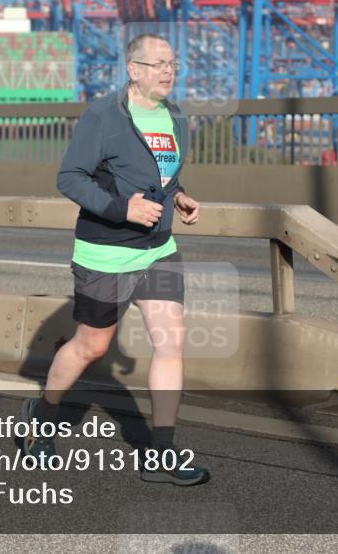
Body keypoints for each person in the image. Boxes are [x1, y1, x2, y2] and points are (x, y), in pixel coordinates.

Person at [20, 33, 210, 486]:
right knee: (93, 346)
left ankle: (161, 452)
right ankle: (43, 415)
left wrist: (178, 196)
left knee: (171, 342)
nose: (168, 71)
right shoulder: (103, 117)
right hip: (105, 252)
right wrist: (122, 208)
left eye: (173, 63)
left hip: (157, 250)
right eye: (159, 63)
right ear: (134, 69)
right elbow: (70, 177)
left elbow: (163, 176)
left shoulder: (174, 116)